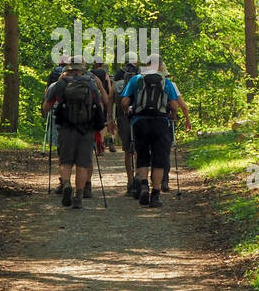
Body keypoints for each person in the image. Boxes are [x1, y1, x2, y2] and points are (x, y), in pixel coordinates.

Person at [121, 60, 191, 208]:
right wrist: (173, 115)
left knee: (142, 156)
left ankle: (144, 186)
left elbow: (125, 101)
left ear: (146, 65)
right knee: (159, 159)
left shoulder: (136, 80)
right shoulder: (167, 82)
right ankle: (155, 194)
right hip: (161, 123)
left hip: (140, 122)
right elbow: (174, 106)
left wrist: (128, 112)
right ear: (160, 67)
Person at [41, 60, 106, 209]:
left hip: (66, 128)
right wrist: (100, 128)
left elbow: (46, 107)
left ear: (68, 69)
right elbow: (99, 106)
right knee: (82, 164)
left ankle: (66, 185)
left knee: (66, 161)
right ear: (83, 70)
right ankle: (78, 196)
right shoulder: (91, 85)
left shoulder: (59, 84)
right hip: (86, 130)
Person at [111, 58, 140, 194]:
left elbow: (111, 101)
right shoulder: (142, 80)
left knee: (128, 151)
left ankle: (130, 181)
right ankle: (140, 178)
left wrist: (109, 118)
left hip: (123, 118)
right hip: (140, 117)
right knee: (139, 149)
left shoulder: (117, 83)